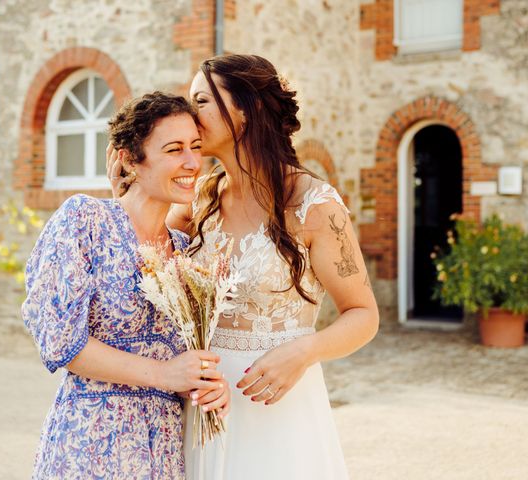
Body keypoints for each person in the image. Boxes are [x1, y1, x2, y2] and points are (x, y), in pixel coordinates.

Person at [109, 54, 379, 479]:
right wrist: (130, 189)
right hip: (205, 403)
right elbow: (141, 261)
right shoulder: (199, 198)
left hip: (279, 404)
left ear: (247, 110)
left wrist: (304, 351)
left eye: (201, 101)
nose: (189, 114)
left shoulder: (314, 205)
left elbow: (364, 315)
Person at [22, 92, 231, 480]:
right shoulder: (84, 221)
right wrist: (166, 374)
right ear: (130, 159)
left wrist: (203, 385)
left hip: (164, 446)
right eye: (173, 149)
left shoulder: (187, 252)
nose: (191, 162)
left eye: (195, 147)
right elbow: (61, 341)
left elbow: (187, 357)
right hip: (91, 439)